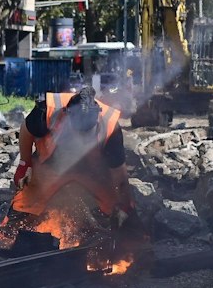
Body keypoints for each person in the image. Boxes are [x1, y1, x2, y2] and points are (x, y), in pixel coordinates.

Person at [12, 85, 128, 224]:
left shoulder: (110, 124)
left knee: (112, 205)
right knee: (24, 206)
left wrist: (125, 204)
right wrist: (25, 164)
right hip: (50, 167)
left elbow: (118, 171)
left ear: (98, 114)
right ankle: (8, 234)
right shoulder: (47, 111)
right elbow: (26, 129)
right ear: (67, 113)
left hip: (92, 171)